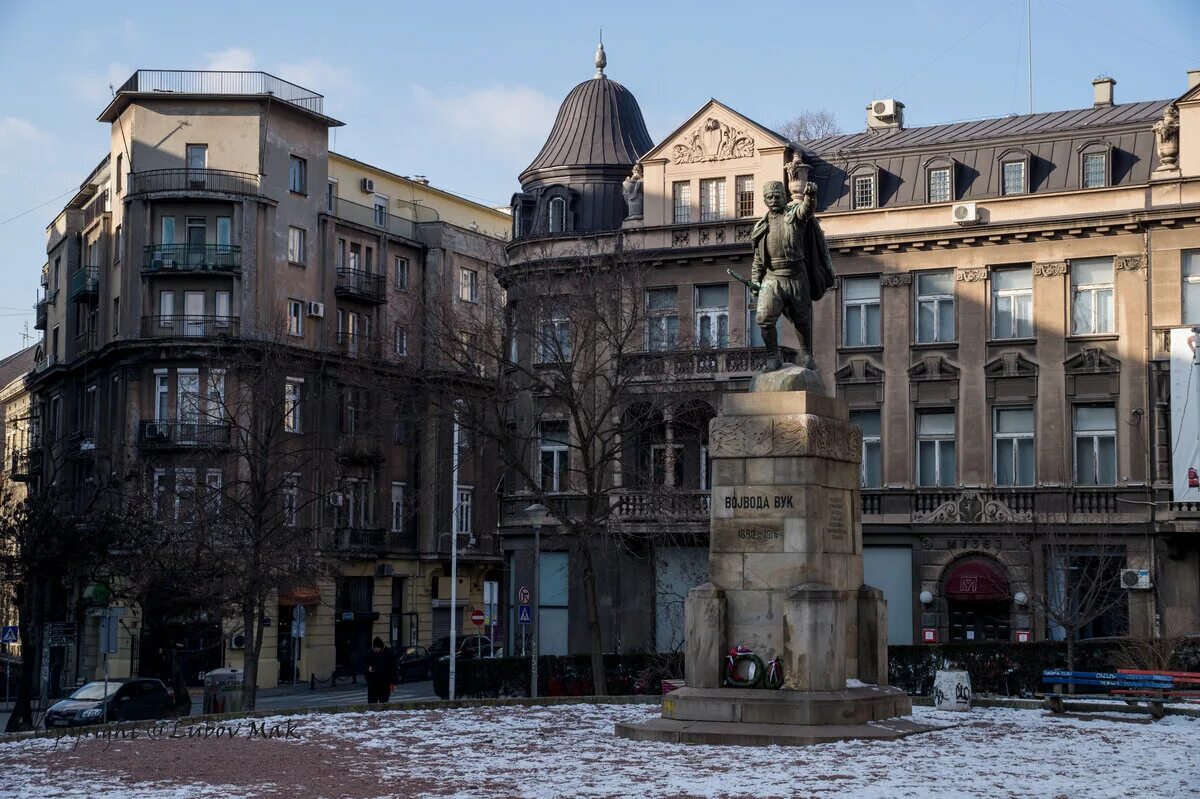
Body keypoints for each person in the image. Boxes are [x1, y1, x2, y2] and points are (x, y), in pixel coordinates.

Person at [750, 177, 835, 372]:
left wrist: (810, 197)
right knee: (764, 317)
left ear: (784, 197)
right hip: (773, 277)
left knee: (802, 319)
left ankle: (806, 354)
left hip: (797, 276)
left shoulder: (794, 215)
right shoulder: (761, 227)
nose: (773, 200)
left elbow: (806, 211)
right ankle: (773, 357)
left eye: (777, 196)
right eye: (769, 197)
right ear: (764, 200)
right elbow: (758, 259)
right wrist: (755, 280)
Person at [364, 637, 396, 705]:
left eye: (376, 648)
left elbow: (393, 669)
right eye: (374, 648)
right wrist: (368, 668)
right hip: (373, 683)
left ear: (380, 647)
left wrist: (392, 682)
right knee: (371, 704)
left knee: (383, 703)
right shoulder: (370, 653)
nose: (375, 650)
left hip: (384, 684)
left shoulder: (389, 653)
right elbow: (364, 664)